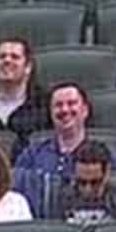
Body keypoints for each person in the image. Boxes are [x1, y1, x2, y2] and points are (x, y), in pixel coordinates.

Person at [10, 83, 93, 215]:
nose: (65, 110)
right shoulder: (32, 154)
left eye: (71, 103)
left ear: (85, 110)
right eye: (58, 105)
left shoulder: (103, 155)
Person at [49, 139, 116, 229]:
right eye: (82, 182)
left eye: (95, 183)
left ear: (106, 175)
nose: (88, 189)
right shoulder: (61, 200)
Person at [0, 39, 46, 142]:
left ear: (28, 67)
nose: (7, 60)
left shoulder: (45, 105)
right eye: (2, 56)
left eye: (15, 57)